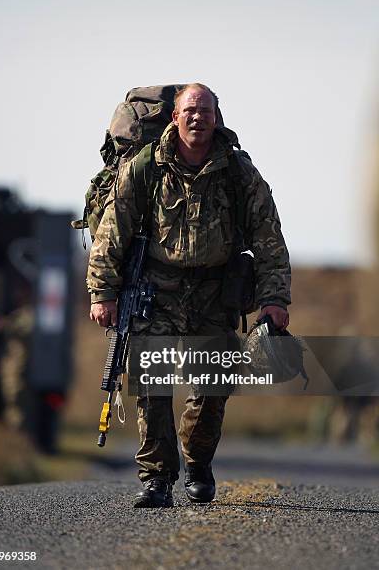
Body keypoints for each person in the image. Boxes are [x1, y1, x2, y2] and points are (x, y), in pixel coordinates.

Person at [87, 83, 291, 508]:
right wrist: (102, 292)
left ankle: (197, 462)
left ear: (217, 117)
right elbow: (111, 234)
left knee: (213, 387)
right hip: (155, 290)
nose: (198, 118)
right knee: (152, 387)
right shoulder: (145, 169)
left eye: (206, 110)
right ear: (175, 117)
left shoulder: (239, 174)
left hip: (216, 292)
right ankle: (157, 478)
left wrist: (275, 299)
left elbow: (269, 239)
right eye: (190, 111)